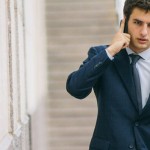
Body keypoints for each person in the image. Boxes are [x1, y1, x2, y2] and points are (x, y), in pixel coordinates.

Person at [66, 0, 150, 150]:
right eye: (138, 22)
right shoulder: (102, 55)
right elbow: (75, 88)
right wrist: (111, 51)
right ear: (124, 21)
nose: (144, 32)